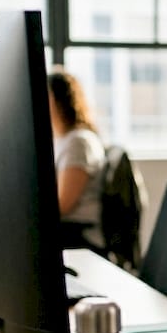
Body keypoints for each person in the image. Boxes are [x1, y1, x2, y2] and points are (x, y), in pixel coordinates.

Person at [48, 67, 107, 251]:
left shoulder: (78, 141)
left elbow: (63, 205)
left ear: (58, 101)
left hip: (80, 236)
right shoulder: (61, 141)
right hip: (68, 231)